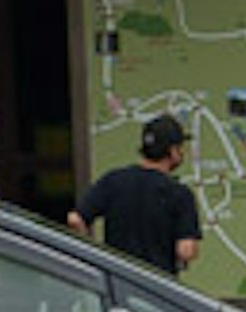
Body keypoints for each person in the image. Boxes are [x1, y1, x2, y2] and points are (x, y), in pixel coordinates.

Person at [79, 107, 203, 280]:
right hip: (158, 288)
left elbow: (75, 219)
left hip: (117, 282)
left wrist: (94, 256)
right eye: (180, 148)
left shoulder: (113, 181)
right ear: (173, 151)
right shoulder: (179, 194)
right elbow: (186, 250)